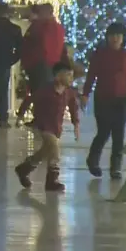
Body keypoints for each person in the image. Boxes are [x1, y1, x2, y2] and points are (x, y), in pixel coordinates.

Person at [14, 62, 80, 192]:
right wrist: (20, 115)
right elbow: (29, 99)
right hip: (42, 125)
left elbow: (73, 108)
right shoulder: (46, 90)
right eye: (68, 75)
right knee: (54, 150)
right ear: (57, 76)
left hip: (56, 128)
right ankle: (52, 180)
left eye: (72, 76)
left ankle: (24, 169)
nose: (71, 79)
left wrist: (76, 124)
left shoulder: (69, 93)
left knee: (44, 152)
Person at [82, 22, 126, 180]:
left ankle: (116, 167)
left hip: (121, 100)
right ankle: (93, 160)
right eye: (112, 35)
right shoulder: (99, 55)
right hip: (103, 99)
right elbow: (91, 76)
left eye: (118, 36)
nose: (115, 39)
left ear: (123, 38)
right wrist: (85, 93)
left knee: (119, 135)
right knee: (104, 132)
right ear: (107, 37)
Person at [17, 3, 66, 124]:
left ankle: (40, 119)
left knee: (38, 92)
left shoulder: (39, 26)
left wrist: (25, 62)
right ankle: (42, 119)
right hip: (51, 64)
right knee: (44, 92)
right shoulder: (58, 27)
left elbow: (27, 44)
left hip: (38, 64)